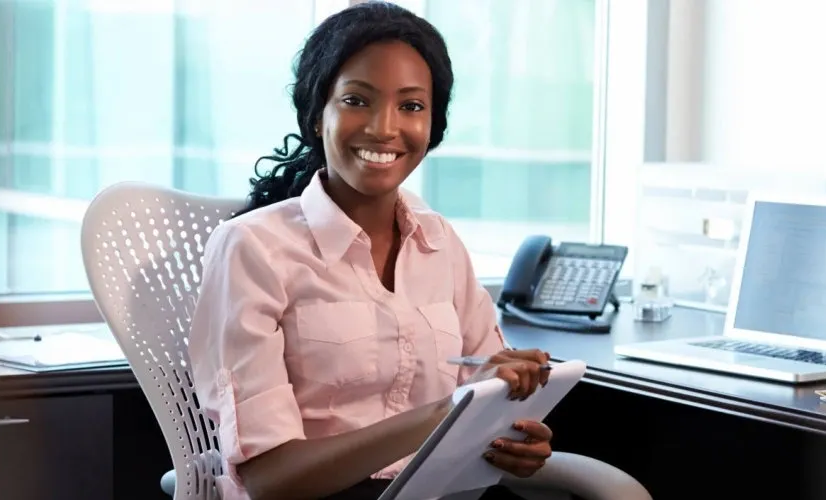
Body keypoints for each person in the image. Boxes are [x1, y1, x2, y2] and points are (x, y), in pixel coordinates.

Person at [187, 2, 559, 499]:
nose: (385, 128)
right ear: (317, 116)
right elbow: (270, 479)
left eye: (411, 106)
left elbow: (488, 400)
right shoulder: (253, 249)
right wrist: (446, 412)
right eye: (357, 100)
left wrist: (515, 441)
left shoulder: (439, 241)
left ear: (433, 127)